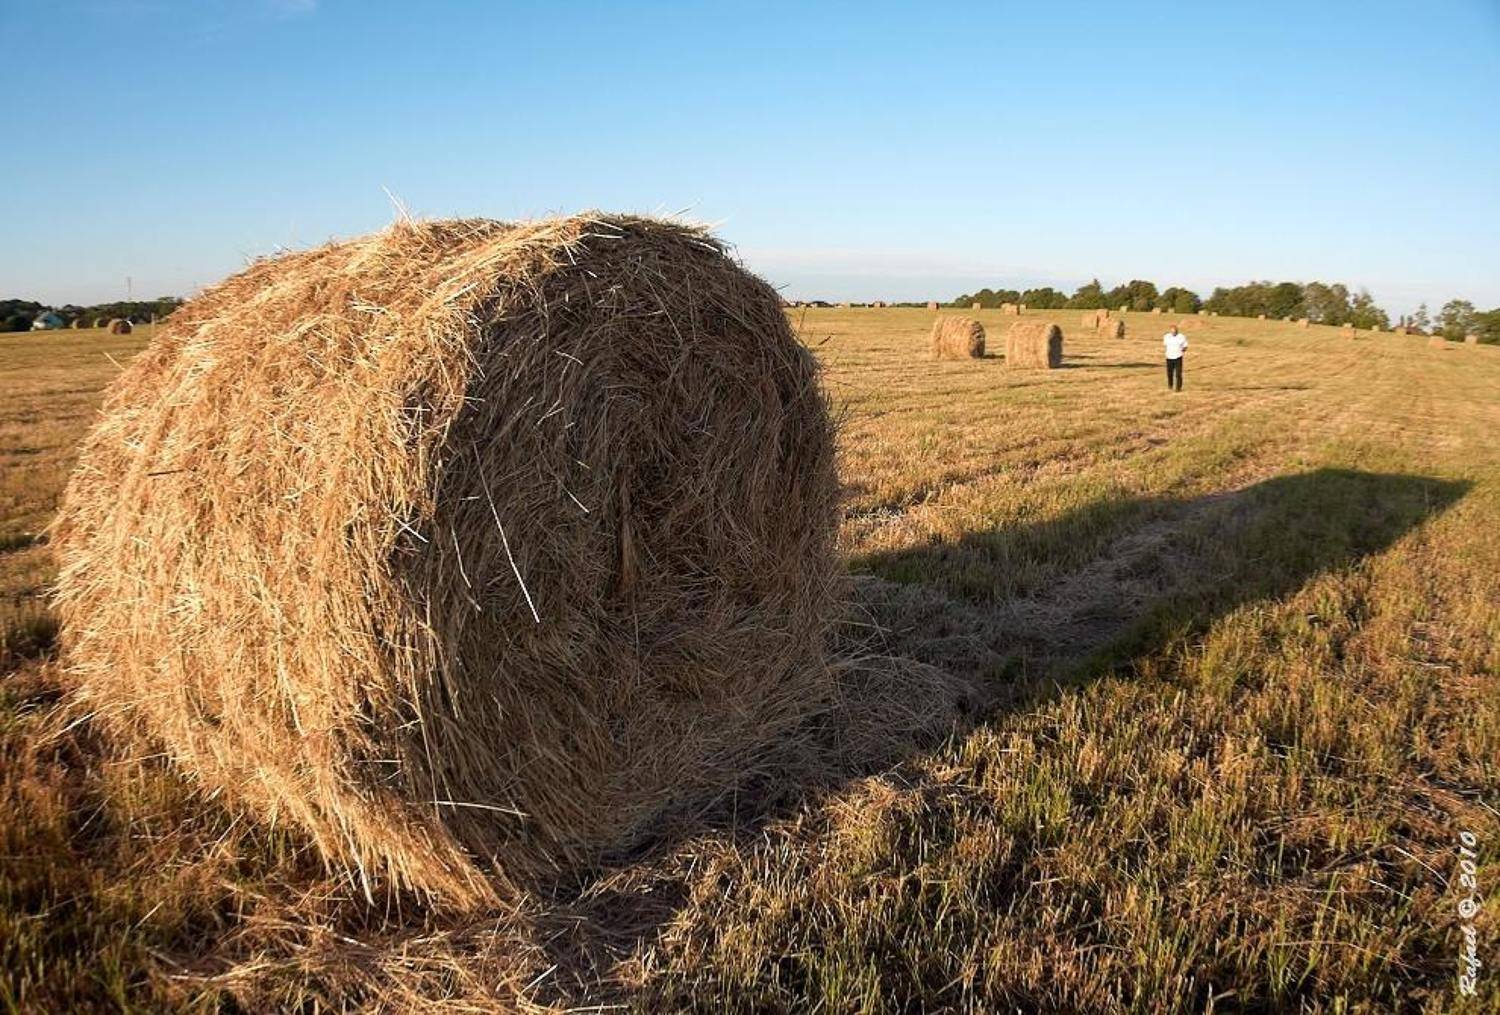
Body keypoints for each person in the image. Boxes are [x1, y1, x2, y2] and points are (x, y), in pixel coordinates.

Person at [1163, 325, 1188, 391]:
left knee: (1178, 373)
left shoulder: (1181, 337)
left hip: (1178, 357)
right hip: (1169, 357)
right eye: (1172, 331)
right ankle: (1170, 385)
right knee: (1169, 373)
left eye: (1174, 331)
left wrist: (1183, 350)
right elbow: (1165, 345)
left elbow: (1185, 346)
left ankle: (1178, 388)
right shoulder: (1166, 337)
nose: (1173, 333)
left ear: (1177, 331)